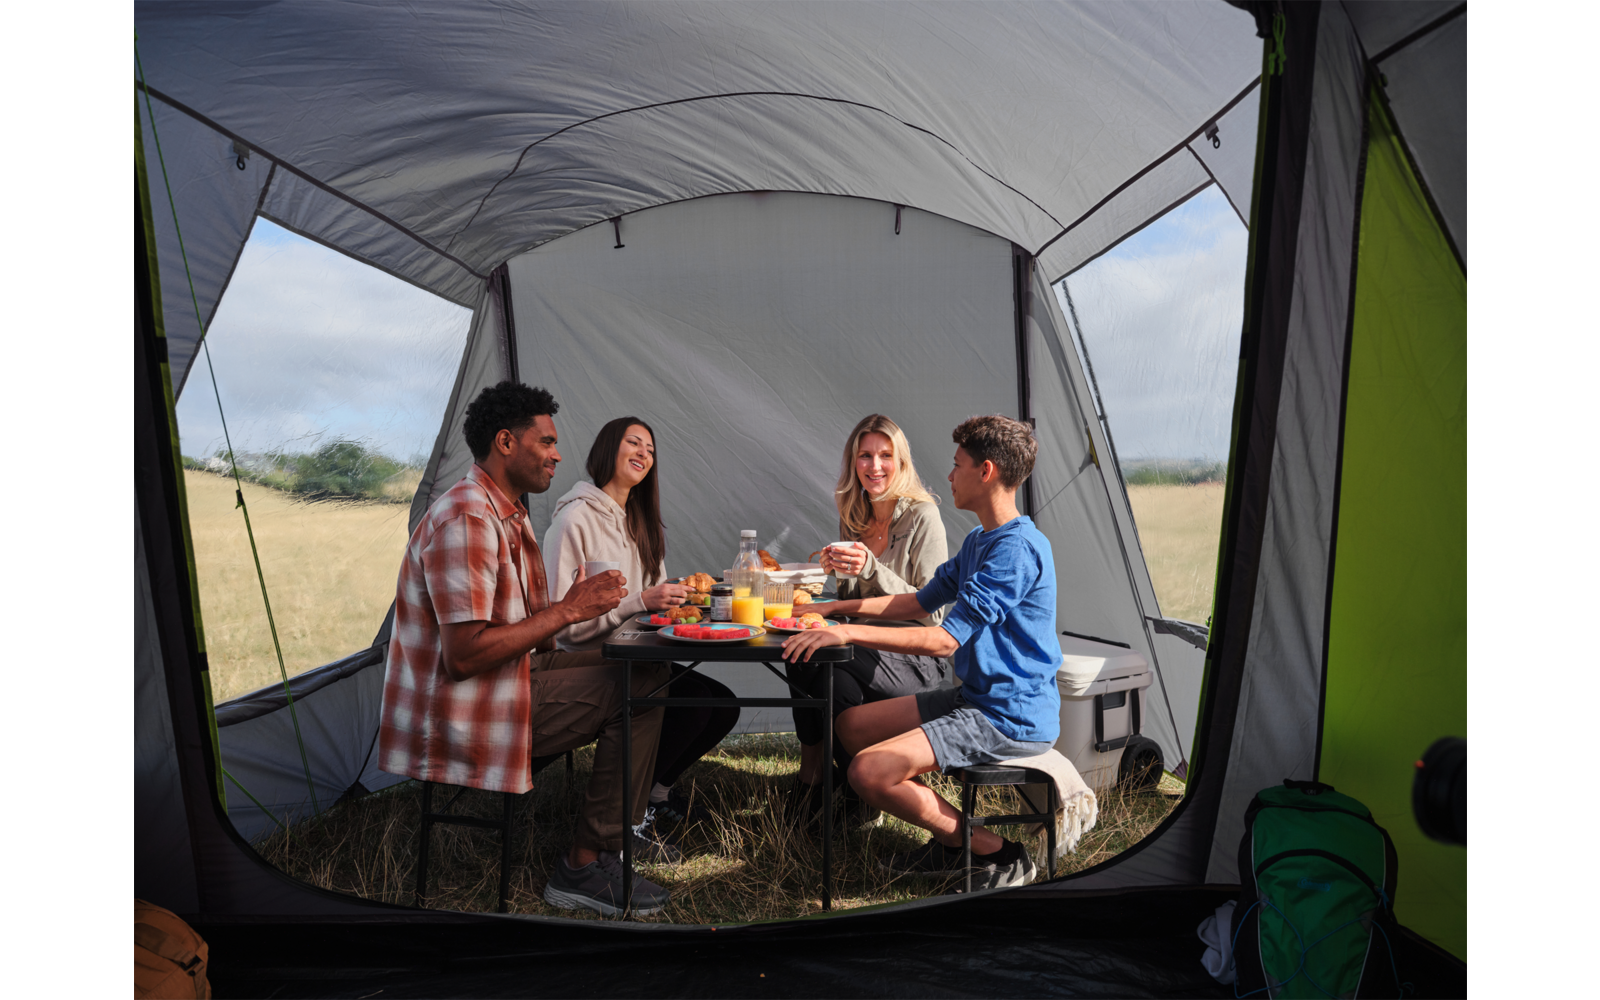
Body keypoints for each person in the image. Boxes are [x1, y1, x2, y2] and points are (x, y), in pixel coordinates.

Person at [377, 381, 677, 918]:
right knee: (632, 690)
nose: (558, 455)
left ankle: (611, 844)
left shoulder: (506, 514)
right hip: (462, 710)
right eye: (547, 442)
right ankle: (583, 865)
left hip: (509, 678)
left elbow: (522, 631)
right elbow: (464, 657)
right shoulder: (468, 519)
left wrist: (577, 610)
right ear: (506, 442)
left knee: (649, 668)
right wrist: (568, 610)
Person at [783, 415, 1060, 890]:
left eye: (957, 465)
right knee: (850, 726)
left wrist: (847, 635)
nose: (949, 476)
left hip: (1008, 714)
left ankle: (995, 852)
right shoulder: (979, 541)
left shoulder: (1017, 550)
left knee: (867, 771)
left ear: (986, 471)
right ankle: (949, 837)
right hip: (976, 697)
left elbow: (944, 639)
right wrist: (832, 608)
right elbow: (916, 602)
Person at [544, 416, 740, 831]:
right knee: (694, 704)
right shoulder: (574, 520)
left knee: (722, 704)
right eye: (634, 443)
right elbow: (563, 627)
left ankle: (653, 793)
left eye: (650, 450)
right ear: (607, 449)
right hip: (593, 659)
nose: (644, 454)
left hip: (643, 655)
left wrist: (681, 601)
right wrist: (640, 601)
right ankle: (634, 811)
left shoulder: (641, 520)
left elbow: (652, 605)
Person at [783, 414, 950, 830]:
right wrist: (839, 572)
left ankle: (825, 783)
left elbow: (932, 612)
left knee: (819, 652)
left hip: (915, 657)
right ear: (853, 462)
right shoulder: (855, 514)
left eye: (885, 456)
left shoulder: (923, 516)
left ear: (901, 461)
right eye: (865, 456)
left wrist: (871, 568)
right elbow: (855, 605)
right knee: (812, 659)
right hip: (863, 647)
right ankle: (840, 784)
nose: (875, 466)